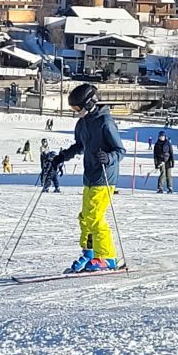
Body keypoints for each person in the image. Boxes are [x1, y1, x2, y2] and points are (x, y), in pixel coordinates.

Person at [46, 84, 127, 273]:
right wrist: (61, 157)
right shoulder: (82, 123)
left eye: (78, 108)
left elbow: (120, 150)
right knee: (84, 217)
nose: (76, 112)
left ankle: (107, 257)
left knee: (95, 217)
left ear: (90, 103)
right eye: (74, 109)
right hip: (89, 175)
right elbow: (79, 145)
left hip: (105, 175)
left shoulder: (105, 122)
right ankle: (89, 252)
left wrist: (109, 158)